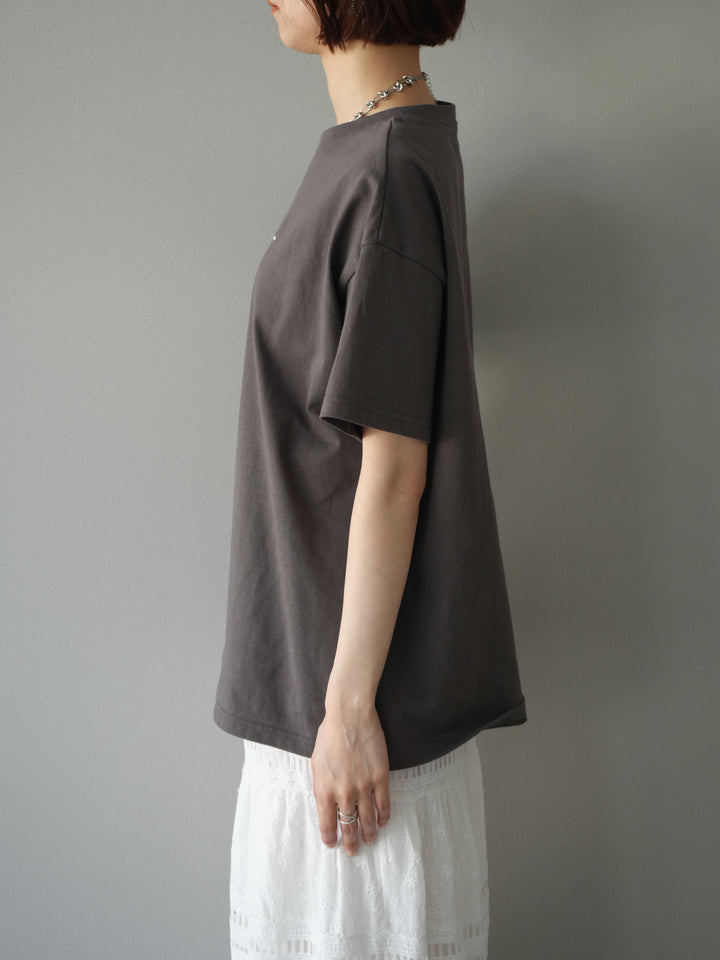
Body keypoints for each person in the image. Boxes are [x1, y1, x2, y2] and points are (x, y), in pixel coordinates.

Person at [213, 2, 528, 958]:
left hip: (349, 721)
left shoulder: (387, 167)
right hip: (320, 675)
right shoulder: (383, 145)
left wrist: (347, 711)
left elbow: (395, 466)